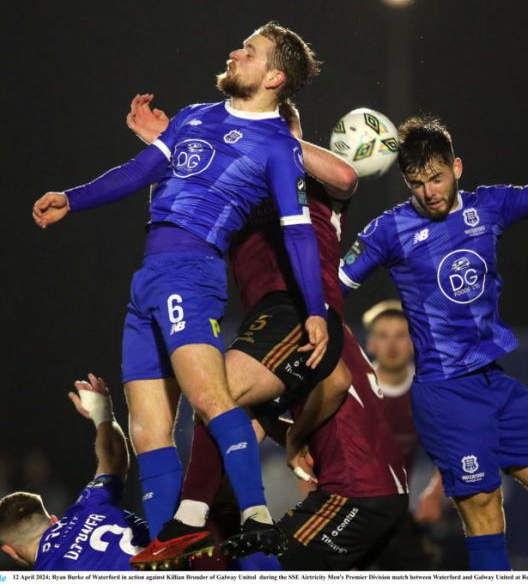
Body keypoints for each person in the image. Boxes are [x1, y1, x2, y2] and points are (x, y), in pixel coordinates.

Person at [31, 22, 329, 560]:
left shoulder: (280, 147)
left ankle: (257, 517)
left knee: (211, 401)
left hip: (192, 273)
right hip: (147, 279)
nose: (236, 52)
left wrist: (315, 310)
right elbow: (138, 170)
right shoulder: (195, 115)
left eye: (250, 51)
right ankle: (179, 551)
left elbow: (298, 231)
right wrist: (73, 199)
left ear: (274, 76)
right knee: (147, 434)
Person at [339, 115, 528, 571]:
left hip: (495, 385)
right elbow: (335, 286)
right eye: (417, 183)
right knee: (484, 510)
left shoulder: (490, 207)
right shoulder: (389, 230)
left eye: (437, 177)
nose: (429, 191)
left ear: (457, 167)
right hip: (446, 393)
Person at [125, 96, 410, 570]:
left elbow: (345, 177)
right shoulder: (237, 185)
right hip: (278, 333)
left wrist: (296, 441)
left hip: (297, 316)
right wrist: (165, 146)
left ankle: (188, 523)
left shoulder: (314, 185)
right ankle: (193, 522)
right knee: (222, 417)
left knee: (217, 392)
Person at [0, 375, 149, 570]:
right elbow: (113, 458)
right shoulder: (87, 505)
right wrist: (103, 415)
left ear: (11, 552)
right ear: (54, 520)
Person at [362, 300, 449, 569]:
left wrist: (436, 494)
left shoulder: (428, 392)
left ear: (413, 343)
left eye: (401, 336)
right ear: (371, 344)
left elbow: (453, 450)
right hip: (350, 515)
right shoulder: (353, 388)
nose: (392, 345)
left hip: (399, 517)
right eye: (383, 336)